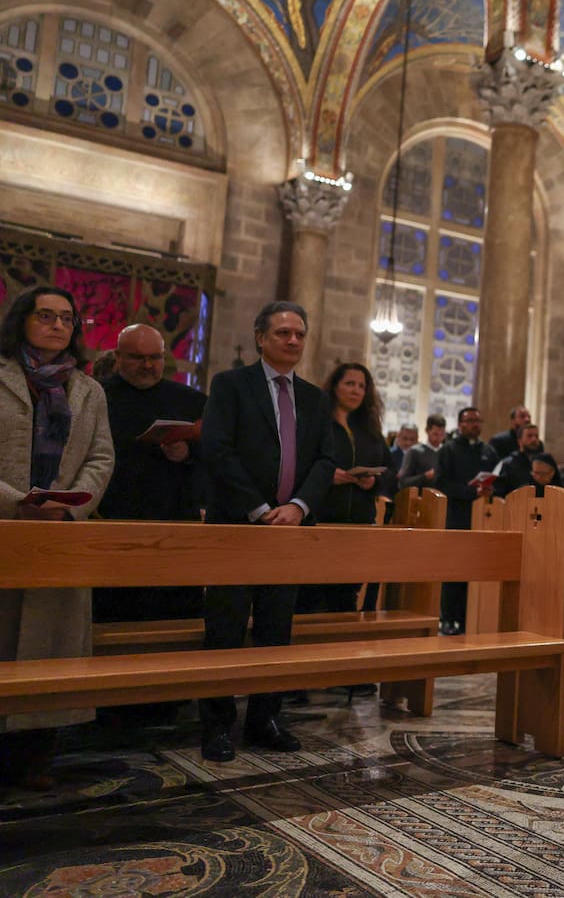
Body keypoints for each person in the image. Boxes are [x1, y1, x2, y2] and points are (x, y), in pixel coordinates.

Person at [198, 300, 335, 763]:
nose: (293, 341)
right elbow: (218, 451)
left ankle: (265, 719)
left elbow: (325, 460)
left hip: (290, 532)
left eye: (299, 333)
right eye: (282, 333)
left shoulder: (315, 398)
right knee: (226, 627)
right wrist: (259, 508)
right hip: (237, 527)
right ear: (260, 337)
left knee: (277, 629)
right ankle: (217, 725)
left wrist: (298, 506)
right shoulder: (231, 385)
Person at [0, 285, 114, 788]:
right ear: (22, 319)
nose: (55, 325)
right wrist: (15, 500)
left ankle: (33, 758)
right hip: (6, 523)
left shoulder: (88, 390)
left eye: (66, 318)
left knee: (49, 647)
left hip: (60, 532)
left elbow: (102, 457)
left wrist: (70, 506)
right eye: (45, 315)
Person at [94, 323, 207, 623]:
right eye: (136, 357)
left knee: (174, 614)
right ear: (117, 357)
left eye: (155, 357)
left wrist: (187, 453)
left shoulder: (190, 400)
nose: (147, 365)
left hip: (173, 517)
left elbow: (215, 455)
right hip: (114, 516)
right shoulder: (95, 396)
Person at [296, 362, 391, 615]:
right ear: (335, 387)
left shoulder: (370, 430)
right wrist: (325, 475)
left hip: (359, 523)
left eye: (362, 386)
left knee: (346, 596)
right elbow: (298, 463)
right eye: (349, 383)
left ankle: (340, 649)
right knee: (310, 596)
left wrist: (373, 482)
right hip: (321, 520)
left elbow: (390, 472)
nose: (356, 390)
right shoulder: (317, 422)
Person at [435, 406, 498, 635]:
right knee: (454, 570)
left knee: (475, 571)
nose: (474, 424)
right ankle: (448, 618)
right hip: (456, 517)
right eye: (469, 420)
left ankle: (469, 618)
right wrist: (471, 493)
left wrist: (490, 489)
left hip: (483, 519)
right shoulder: (448, 450)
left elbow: (497, 479)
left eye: (478, 420)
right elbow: (441, 484)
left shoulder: (489, 451)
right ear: (460, 424)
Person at [395, 414, 447, 491]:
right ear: (427, 430)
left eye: (442, 435)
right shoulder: (415, 452)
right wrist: (425, 476)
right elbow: (403, 482)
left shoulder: (447, 451)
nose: (438, 438)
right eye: (435, 434)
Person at [492, 422, 545, 497]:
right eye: (529, 436)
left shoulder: (545, 463)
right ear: (519, 441)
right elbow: (498, 491)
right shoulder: (507, 464)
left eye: (536, 436)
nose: (534, 439)